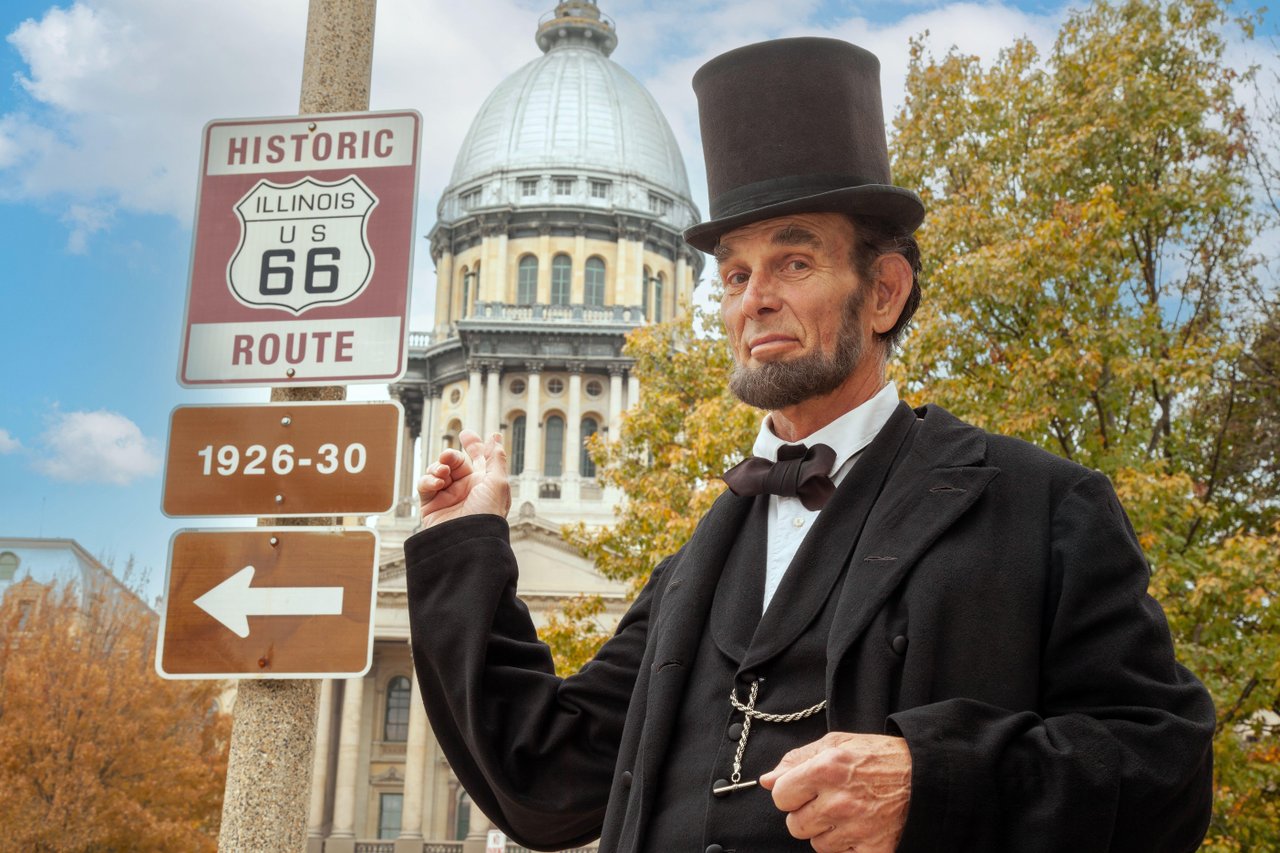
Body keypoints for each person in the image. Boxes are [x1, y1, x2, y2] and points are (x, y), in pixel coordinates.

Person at [405, 38, 1215, 853]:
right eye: (733, 275)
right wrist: (463, 544)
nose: (754, 300)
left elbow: (1166, 772)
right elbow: (544, 782)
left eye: (793, 261)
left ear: (885, 291)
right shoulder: (695, 565)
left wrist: (933, 780)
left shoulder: (1039, 508)